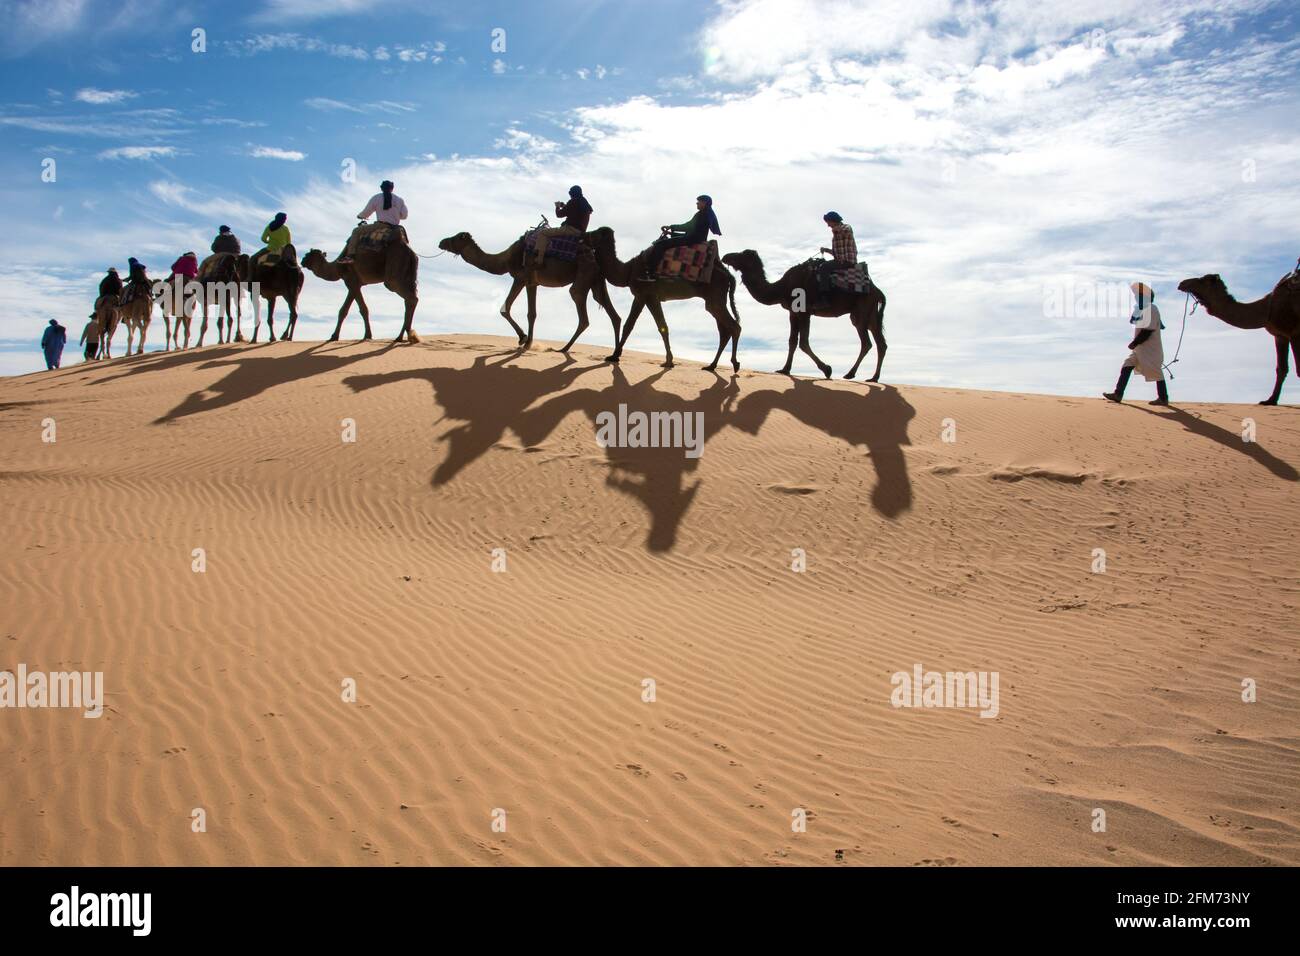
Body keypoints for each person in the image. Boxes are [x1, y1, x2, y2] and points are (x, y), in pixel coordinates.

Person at [1104, 282, 1169, 406]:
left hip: (1150, 348)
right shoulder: (1142, 309)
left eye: (1138, 296)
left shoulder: (1152, 309)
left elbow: (1147, 331)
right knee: (1127, 365)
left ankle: (1163, 398)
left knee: (1156, 371)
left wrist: (1134, 343)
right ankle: (1118, 394)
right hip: (1140, 349)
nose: (1136, 298)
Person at [645, 195, 721, 278]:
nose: (697, 203)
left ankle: (650, 272)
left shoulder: (703, 214)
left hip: (693, 239)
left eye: (699, 201)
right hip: (694, 237)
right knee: (670, 240)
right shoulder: (706, 213)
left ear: (704, 203)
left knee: (660, 244)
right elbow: (690, 229)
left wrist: (671, 227)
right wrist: (671, 233)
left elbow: (688, 227)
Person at [339, 181, 408, 264]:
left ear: (381, 188)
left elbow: (366, 213)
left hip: (381, 225)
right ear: (392, 189)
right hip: (395, 227)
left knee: (356, 231)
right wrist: (395, 215)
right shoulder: (399, 200)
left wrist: (360, 216)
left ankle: (350, 256)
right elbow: (404, 216)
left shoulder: (376, 198)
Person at [532, 185, 593, 265]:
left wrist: (557, 207)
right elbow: (574, 211)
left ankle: (539, 260)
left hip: (570, 229)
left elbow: (559, 214)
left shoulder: (573, 202)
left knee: (543, 233)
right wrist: (564, 206)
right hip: (580, 231)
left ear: (572, 194)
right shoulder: (584, 203)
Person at [817, 211, 857, 292]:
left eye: (829, 222)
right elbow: (837, 254)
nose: (828, 225)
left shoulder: (846, 227)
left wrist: (835, 228)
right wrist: (826, 250)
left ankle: (825, 296)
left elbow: (846, 230)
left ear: (834, 220)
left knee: (823, 267)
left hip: (847, 262)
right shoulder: (836, 234)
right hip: (840, 261)